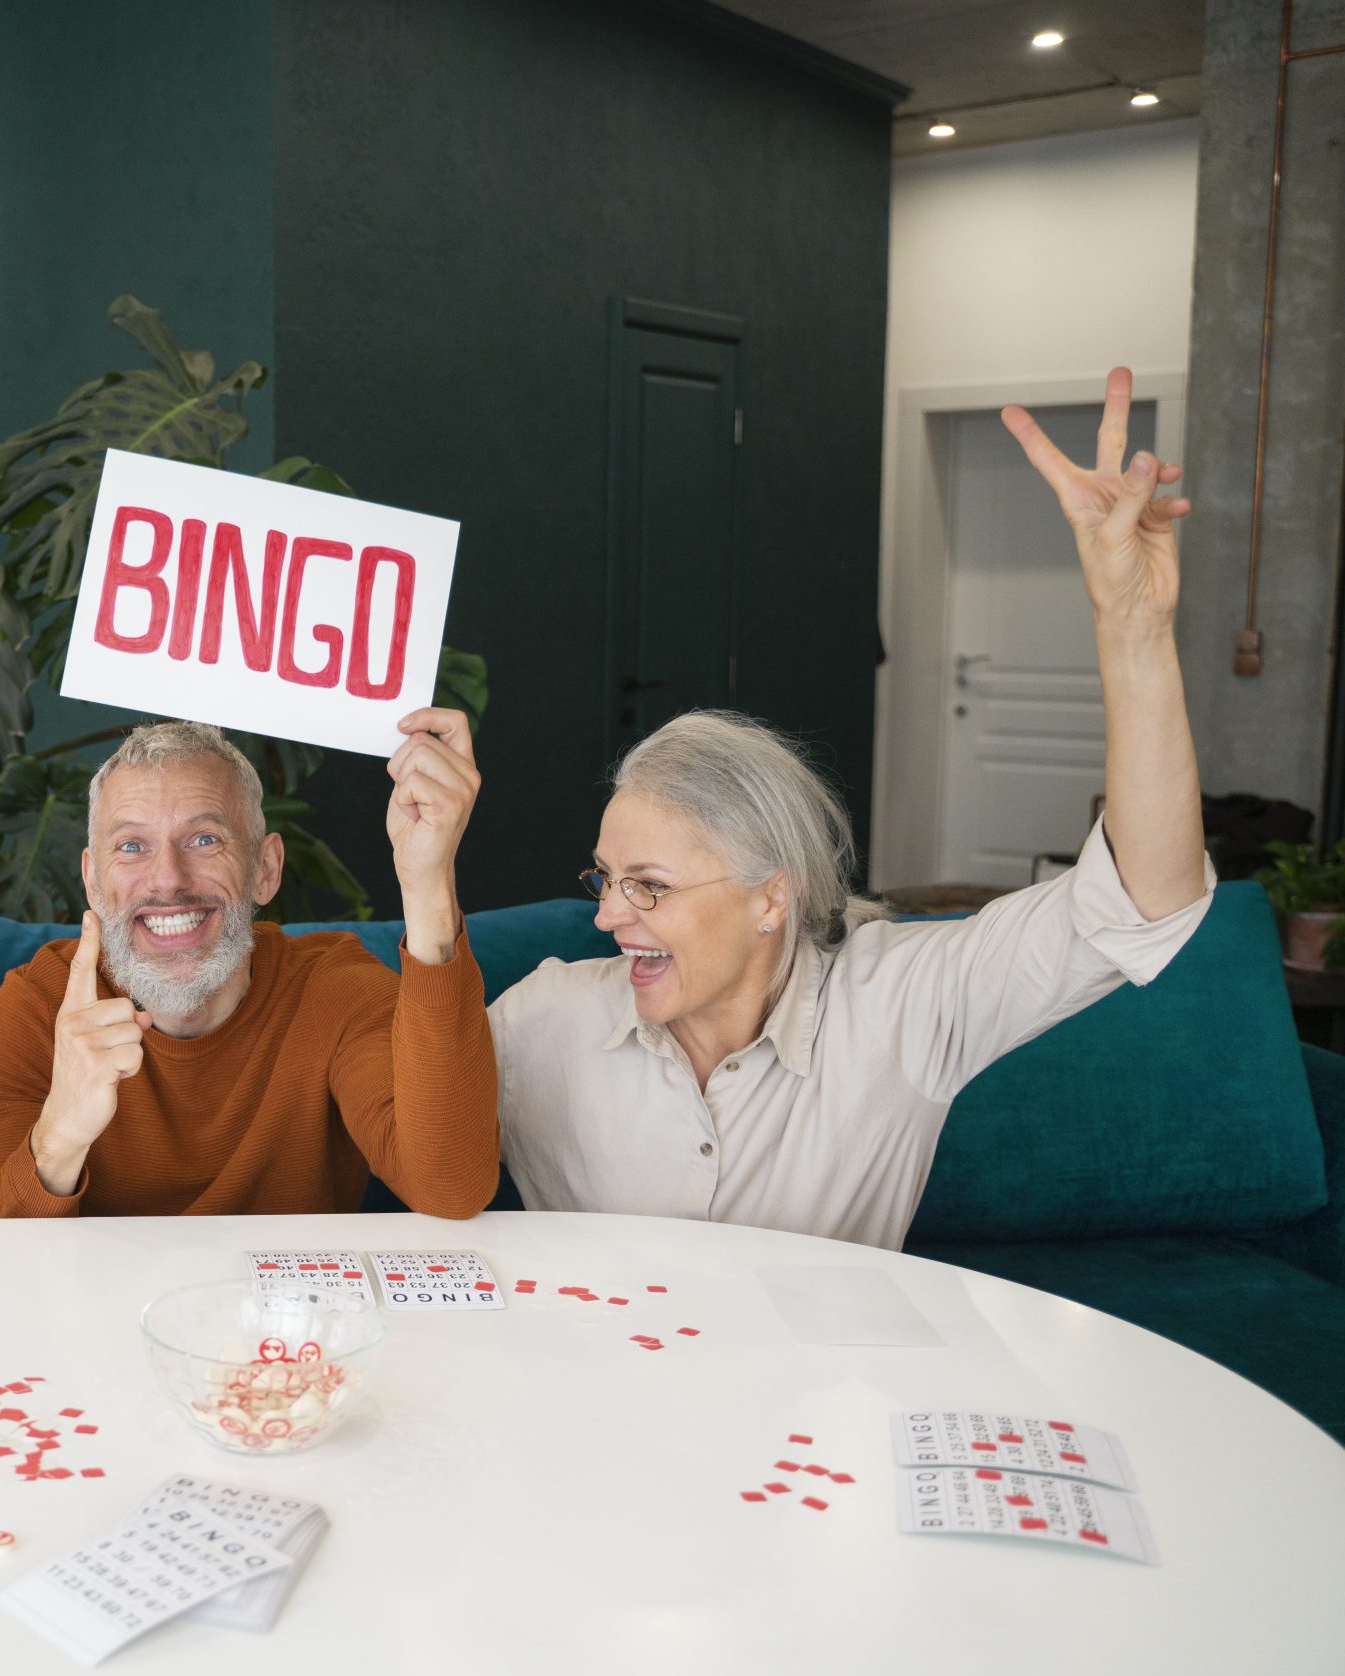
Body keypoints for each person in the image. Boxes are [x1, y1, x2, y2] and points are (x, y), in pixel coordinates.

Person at [491, 367, 1213, 1249]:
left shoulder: (899, 1009)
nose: (606, 915)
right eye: (605, 879)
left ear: (771, 896)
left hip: (823, 1387)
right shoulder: (544, 1021)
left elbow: (1146, 898)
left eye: (648, 885)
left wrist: (1132, 627)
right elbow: (391, 1127)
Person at [0, 713, 500, 1218]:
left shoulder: (335, 990)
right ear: (94, 882)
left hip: (288, 1318)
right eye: (132, 846)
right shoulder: (36, 1010)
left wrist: (427, 881)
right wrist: (61, 1131)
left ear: (265, 868)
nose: (168, 878)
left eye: (205, 839)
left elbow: (450, 1189)